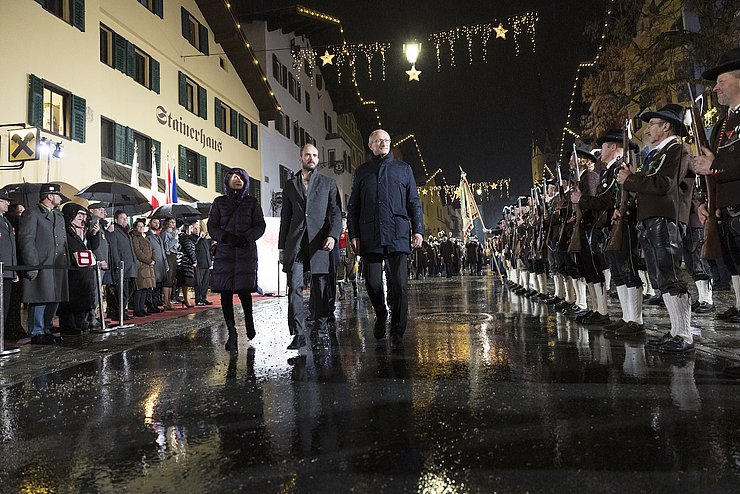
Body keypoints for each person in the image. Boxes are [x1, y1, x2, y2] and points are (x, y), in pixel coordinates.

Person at [617, 103, 694, 351]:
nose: (648, 129)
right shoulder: (658, 153)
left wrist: (630, 179)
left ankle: (684, 335)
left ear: (666, 126)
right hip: (651, 218)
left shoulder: (677, 149)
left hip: (666, 216)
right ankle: (674, 331)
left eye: (652, 124)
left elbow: (664, 183)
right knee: (660, 275)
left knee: (669, 273)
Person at [347, 129, 424, 351]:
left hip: (398, 234)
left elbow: (414, 202)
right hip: (371, 235)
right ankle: (381, 314)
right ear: (370, 145)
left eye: (386, 140)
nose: (383, 143)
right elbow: (354, 207)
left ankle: (397, 331)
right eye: (378, 141)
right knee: (372, 283)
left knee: (399, 285)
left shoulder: (403, 169)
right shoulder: (362, 172)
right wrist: (353, 233)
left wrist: (418, 229)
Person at [692, 47, 740, 372]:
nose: (716, 88)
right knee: (736, 267)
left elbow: (723, 164)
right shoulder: (726, 123)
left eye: (721, 80)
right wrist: (708, 203)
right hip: (729, 211)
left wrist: (714, 165)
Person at [279, 144, 342, 350]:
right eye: (308, 155)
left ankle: (321, 326)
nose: (312, 158)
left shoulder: (328, 183)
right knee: (294, 288)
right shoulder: (289, 185)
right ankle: (298, 333)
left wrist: (333, 235)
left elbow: (335, 214)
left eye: (315, 155)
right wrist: (282, 248)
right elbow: (285, 218)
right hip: (296, 244)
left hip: (320, 243)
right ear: (301, 158)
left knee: (320, 287)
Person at [209, 168, 266, 352]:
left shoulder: (252, 202)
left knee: (244, 291)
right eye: (235, 177)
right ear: (227, 181)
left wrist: (246, 237)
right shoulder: (219, 202)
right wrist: (225, 238)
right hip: (226, 252)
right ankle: (231, 332)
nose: (238, 180)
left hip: (245, 252)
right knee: (225, 293)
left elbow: (260, 225)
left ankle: (249, 321)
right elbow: (212, 225)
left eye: (242, 177)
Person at [17, 183, 69, 344]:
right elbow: (26, 240)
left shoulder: (58, 215)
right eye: (58, 195)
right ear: (50, 196)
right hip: (42, 263)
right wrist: (33, 264)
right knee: (39, 298)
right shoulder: (32, 214)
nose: (60, 198)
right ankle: (36, 330)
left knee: (54, 298)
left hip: (57, 263)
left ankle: (46, 327)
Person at [57, 203, 100, 334]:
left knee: (82, 297)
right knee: (71, 298)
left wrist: (94, 234)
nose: (82, 218)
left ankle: (81, 321)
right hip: (71, 269)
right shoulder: (65, 230)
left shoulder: (84, 230)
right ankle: (68, 325)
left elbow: (94, 247)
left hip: (83, 269)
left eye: (83, 215)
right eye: (79, 215)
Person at [107, 210, 138, 321]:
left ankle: (119, 311)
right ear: (116, 219)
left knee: (128, 291)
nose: (125, 220)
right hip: (121, 267)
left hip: (130, 267)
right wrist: (117, 265)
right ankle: (117, 313)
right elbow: (114, 249)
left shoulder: (126, 232)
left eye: (126, 218)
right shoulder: (114, 231)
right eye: (122, 218)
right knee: (121, 292)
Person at [87, 202, 112, 327]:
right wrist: (101, 259)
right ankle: (92, 318)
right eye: (100, 210)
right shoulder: (93, 224)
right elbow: (95, 246)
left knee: (97, 292)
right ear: (91, 211)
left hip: (101, 263)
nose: (104, 213)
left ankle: (95, 316)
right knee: (94, 292)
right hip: (97, 263)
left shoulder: (99, 225)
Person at [130, 218, 156, 317]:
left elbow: (152, 249)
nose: (141, 228)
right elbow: (137, 252)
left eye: (142, 226)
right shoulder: (134, 237)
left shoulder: (144, 237)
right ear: (135, 227)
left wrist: (153, 259)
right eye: (139, 226)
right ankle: (137, 309)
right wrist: (149, 260)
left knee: (145, 288)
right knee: (139, 288)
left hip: (148, 266)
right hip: (141, 265)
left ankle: (141, 308)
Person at [0, 188, 18, 332]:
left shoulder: (6, 221)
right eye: (5, 201)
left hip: (7, 270)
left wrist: (14, 270)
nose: (8, 204)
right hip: (1, 270)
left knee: (5, 306)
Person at [145, 218, 166, 313]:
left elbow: (162, 251)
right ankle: (150, 305)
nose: (157, 224)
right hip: (153, 264)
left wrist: (166, 264)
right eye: (154, 222)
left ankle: (155, 304)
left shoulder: (158, 236)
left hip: (161, 264)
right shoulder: (148, 236)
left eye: (158, 223)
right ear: (150, 223)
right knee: (152, 287)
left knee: (158, 286)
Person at [160, 217, 179, 310]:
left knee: (172, 279)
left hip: (174, 255)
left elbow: (175, 246)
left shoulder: (173, 232)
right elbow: (166, 246)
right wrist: (174, 239)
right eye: (171, 222)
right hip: (168, 255)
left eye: (174, 222)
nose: (173, 224)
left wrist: (177, 245)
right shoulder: (165, 233)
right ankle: (166, 301)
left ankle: (169, 300)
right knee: (168, 278)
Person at [177, 222, 198, 308]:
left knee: (187, 282)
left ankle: (186, 299)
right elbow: (190, 250)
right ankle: (186, 300)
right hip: (186, 262)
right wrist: (194, 261)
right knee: (186, 282)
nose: (196, 230)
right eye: (194, 228)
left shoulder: (189, 238)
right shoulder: (186, 238)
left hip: (186, 262)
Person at [336, 215, 357, 300]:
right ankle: (342, 294)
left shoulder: (349, 234)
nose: (343, 225)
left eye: (344, 223)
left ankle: (355, 290)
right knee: (339, 276)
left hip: (349, 256)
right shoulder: (336, 234)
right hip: (339, 256)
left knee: (351, 275)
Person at [192, 220, 213, 306]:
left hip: (206, 263)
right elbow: (194, 248)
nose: (196, 228)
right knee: (199, 282)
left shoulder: (205, 239)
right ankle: (198, 299)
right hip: (199, 263)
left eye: (197, 226)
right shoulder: (193, 237)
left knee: (205, 283)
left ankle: (203, 298)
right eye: (195, 226)